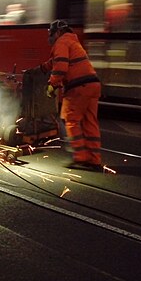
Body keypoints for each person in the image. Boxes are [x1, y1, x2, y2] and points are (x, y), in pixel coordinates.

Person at [36, 19, 102, 171]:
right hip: (93, 84)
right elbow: (56, 61)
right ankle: (94, 160)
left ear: (58, 32)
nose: (49, 38)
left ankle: (80, 157)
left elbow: (60, 66)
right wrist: (42, 68)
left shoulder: (61, 42)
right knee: (90, 122)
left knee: (70, 120)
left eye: (51, 34)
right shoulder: (72, 41)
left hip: (78, 87)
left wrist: (52, 85)